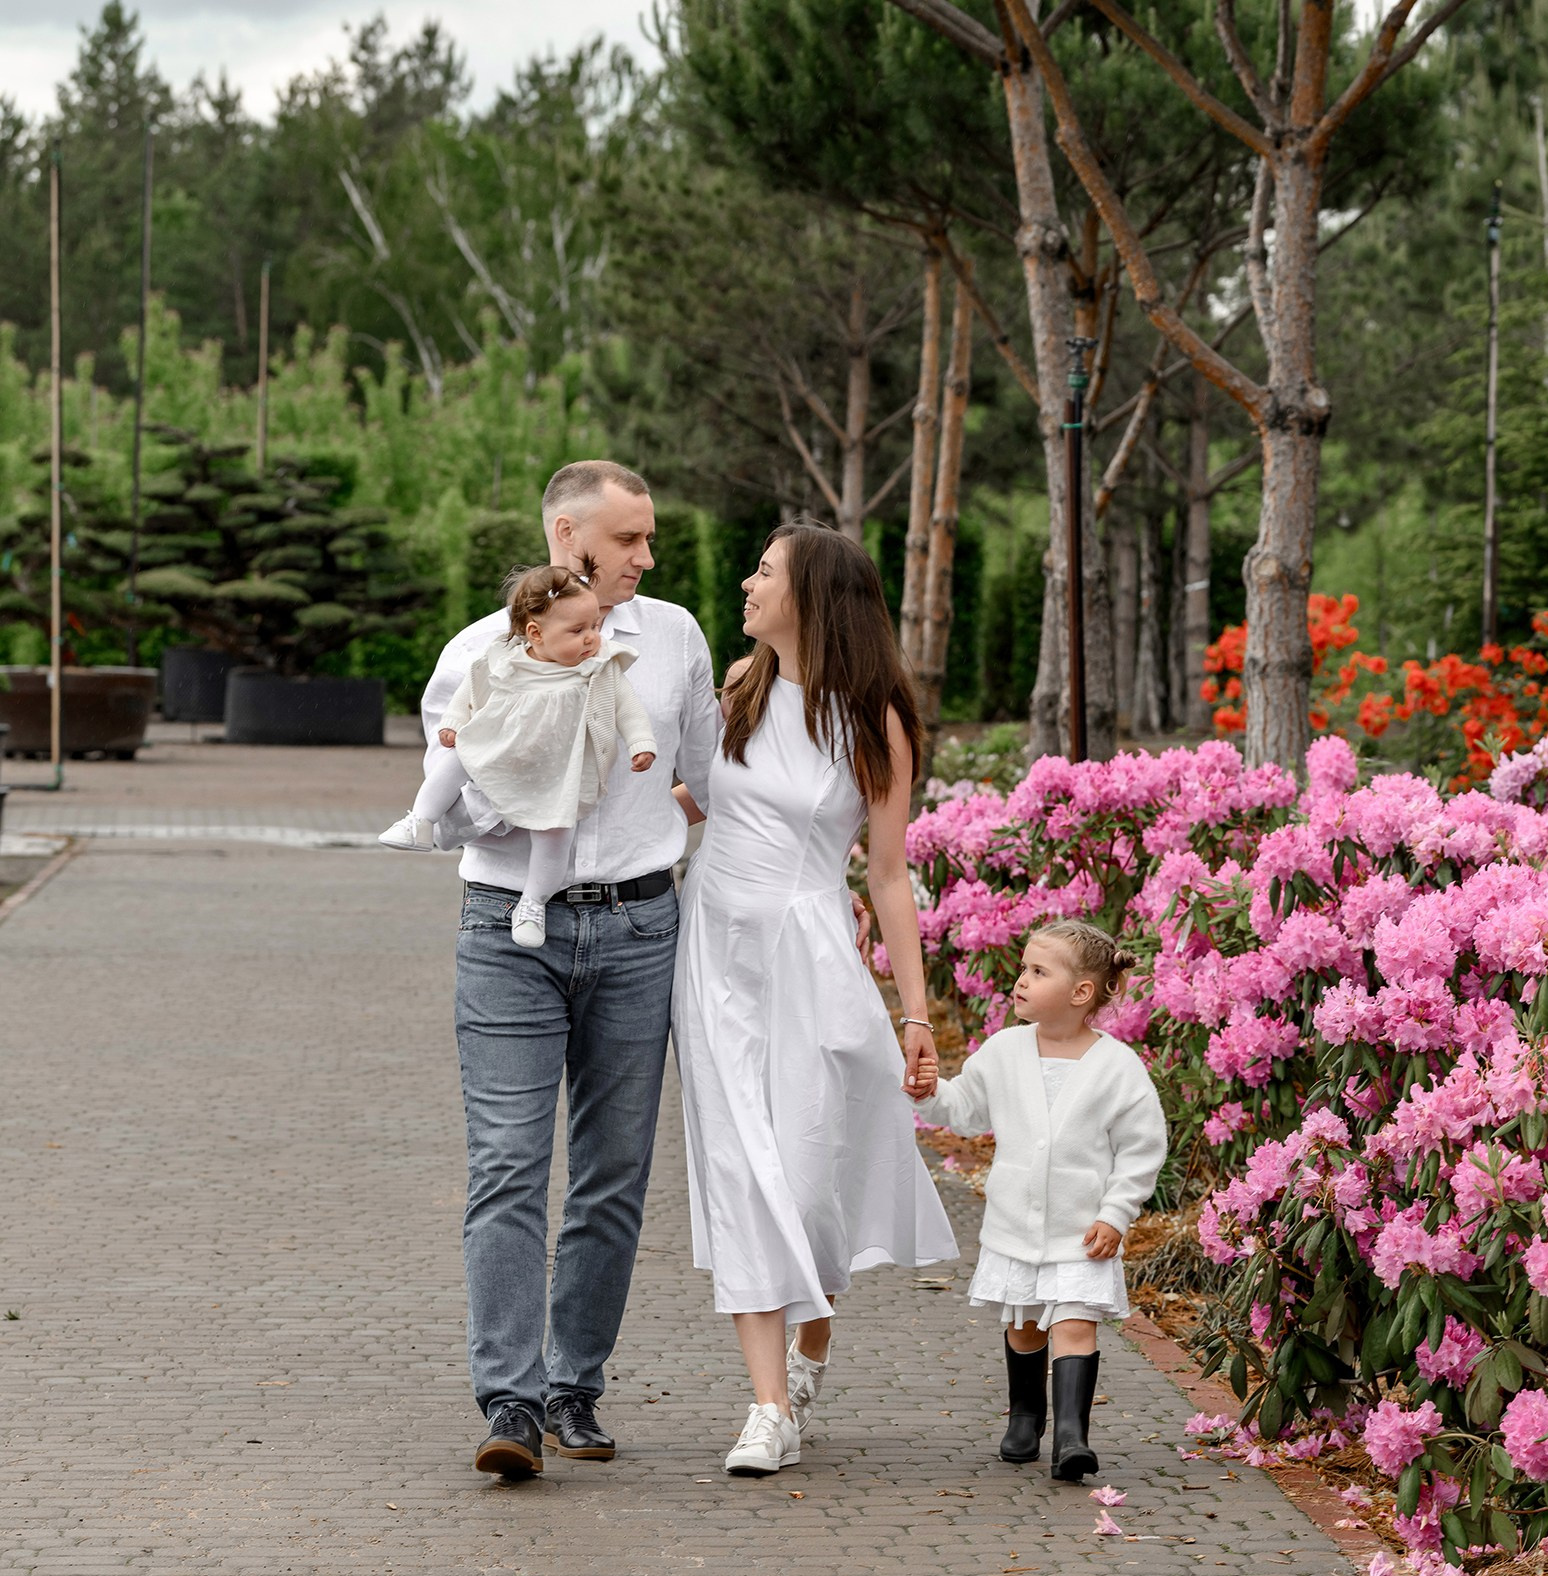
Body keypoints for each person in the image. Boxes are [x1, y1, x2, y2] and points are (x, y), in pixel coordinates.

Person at [416, 461, 724, 1480]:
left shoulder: (674, 637)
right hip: (509, 927)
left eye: (648, 540)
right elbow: (449, 805)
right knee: (508, 1163)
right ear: (565, 534)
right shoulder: (476, 654)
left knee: (613, 1174)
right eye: (629, 539)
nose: (646, 556)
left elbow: (711, 782)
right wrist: (532, 783)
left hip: (641, 929)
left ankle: (572, 1386)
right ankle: (509, 1396)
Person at [672, 520, 958, 1478]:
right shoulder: (738, 695)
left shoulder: (873, 720)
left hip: (810, 957)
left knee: (806, 1178)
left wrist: (915, 1015)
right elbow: (696, 804)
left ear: (816, 598)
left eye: (764, 571)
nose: (747, 584)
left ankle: (809, 1349)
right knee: (743, 1170)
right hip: (713, 954)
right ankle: (765, 1411)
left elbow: (887, 876)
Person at [905, 919, 1167, 1482]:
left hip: (1081, 1234)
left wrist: (1116, 1212)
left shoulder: (1118, 1068)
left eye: (1038, 972)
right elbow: (966, 1109)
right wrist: (932, 1092)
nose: (1020, 981)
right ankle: (1026, 1414)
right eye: (1023, 968)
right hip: (1016, 1230)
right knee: (1025, 1328)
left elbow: (1142, 1149)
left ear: (1080, 993)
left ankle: (1073, 1437)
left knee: (1075, 1324)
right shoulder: (1004, 1051)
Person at [382, 562, 657, 950]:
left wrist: (641, 743)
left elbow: (628, 709)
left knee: (556, 832)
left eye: (594, 626)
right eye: (578, 631)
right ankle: (419, 821)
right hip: (504, 749)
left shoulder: (599, 667)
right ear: (535, 633)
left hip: (561, 770)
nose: (592, 638)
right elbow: (470, 689)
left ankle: (533, 902)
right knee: (459, 756)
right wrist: (455, 720)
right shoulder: (505, 658)